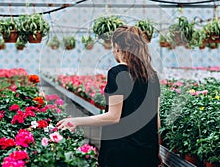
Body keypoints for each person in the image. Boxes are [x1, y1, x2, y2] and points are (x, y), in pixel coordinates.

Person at [57, 25, 162, 167]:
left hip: (121, 154)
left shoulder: (117, 73)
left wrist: (76, 121)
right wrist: (157, 151)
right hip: (146, 153)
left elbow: (113, 116)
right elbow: (156, 118)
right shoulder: (152, 75)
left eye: (113, 47)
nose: (113, 51)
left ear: (118, 47)